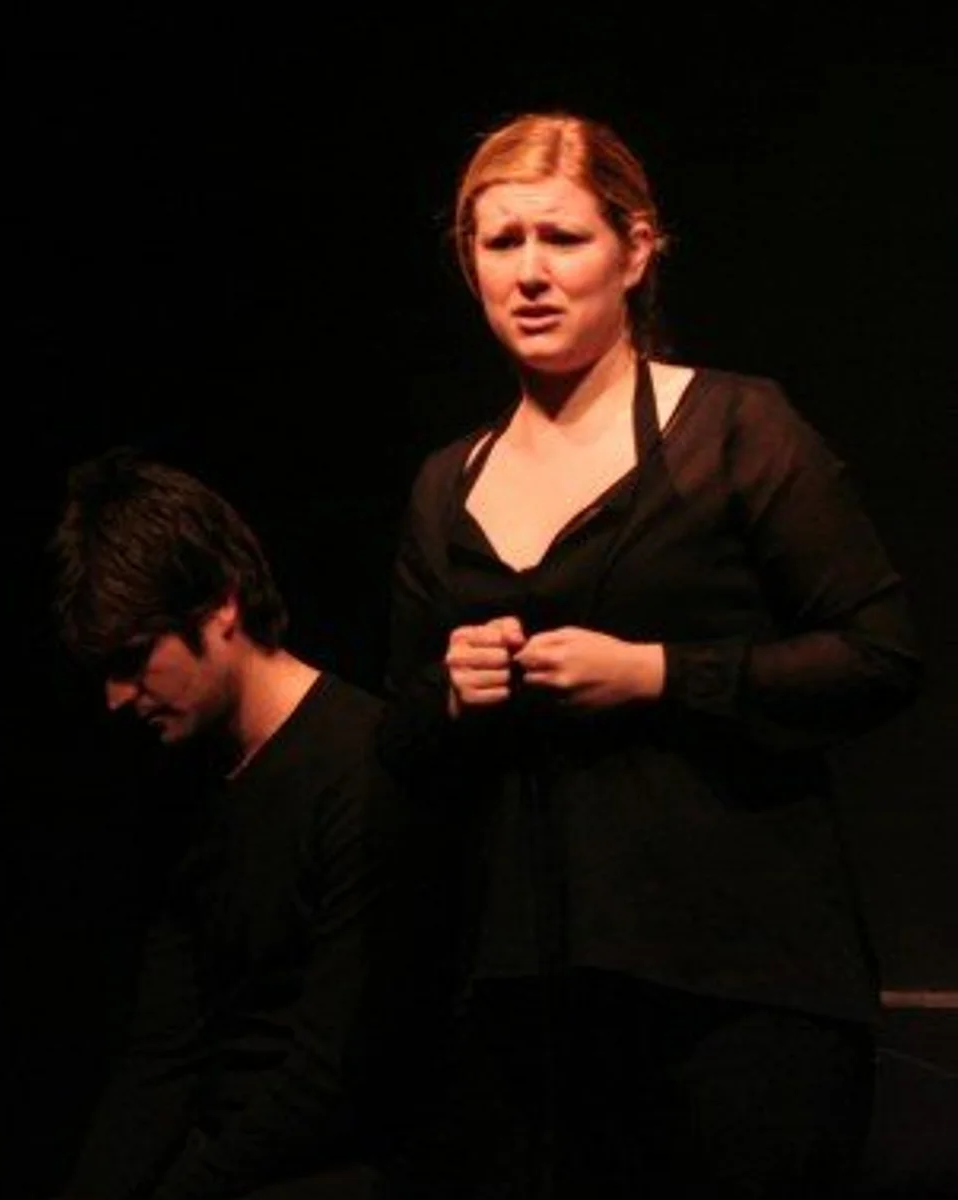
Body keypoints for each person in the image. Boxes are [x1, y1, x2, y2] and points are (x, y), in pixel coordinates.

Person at [377, 111, 922, 1198]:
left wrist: (660, 674)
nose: (531, 272)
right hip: (530, 1004)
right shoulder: (450, 485)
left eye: (563, 237)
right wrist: (452, 692)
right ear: (469, 263)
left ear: (634, 252)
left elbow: (880, 655)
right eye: (502, 241)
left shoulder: (735, 429)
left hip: (738, 984)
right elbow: (399, 737)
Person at [48, 449, 456, 1200]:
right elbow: (162, 1052)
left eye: (134, 658)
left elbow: (333, 1072)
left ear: (221, 608)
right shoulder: (189, 786)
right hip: (232, 1160)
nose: (116, 697)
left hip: (339, 1170)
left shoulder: (364, 767)